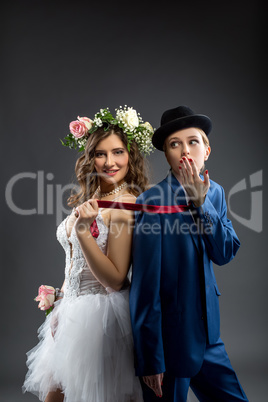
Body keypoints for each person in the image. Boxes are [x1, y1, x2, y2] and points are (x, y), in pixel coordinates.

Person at [23, 106, 155, 402]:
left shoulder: (124, 204)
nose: (110, 162)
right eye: (100, 153)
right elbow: (76, 263)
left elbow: (116, 279)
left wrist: (83, 231)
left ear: (130, 155)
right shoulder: (95, 198)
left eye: (118, 152)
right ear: (89, 156)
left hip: (101, 322)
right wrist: (61, 303)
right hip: (71, 314)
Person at [129, 106, 249, 401]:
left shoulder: (216, 192)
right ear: (167, 155)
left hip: (209, 337)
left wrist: (203, 204)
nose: (185, 151)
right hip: (169, 343)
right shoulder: (151, 202)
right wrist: (150, 359)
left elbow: (223, 253)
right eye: (174, 144)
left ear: (206, 150)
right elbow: (145, 287)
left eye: (193, 142)